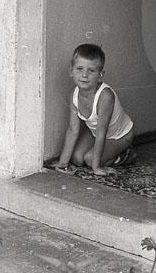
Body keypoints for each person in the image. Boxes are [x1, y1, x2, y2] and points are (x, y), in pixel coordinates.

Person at [54, 44, 134, 176]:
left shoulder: (105, 96)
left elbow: (102, 133)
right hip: (95, 133)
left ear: (100, 75)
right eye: (79, 69)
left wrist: (97, 167)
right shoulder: (74, 94)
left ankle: (124, 155)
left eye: (91, 70)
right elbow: (73, 130)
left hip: (119, 136)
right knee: (77, 158)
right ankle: (101, 158)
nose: (84, 75)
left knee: (90, 160)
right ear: (71, 71)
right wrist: (62, 163)